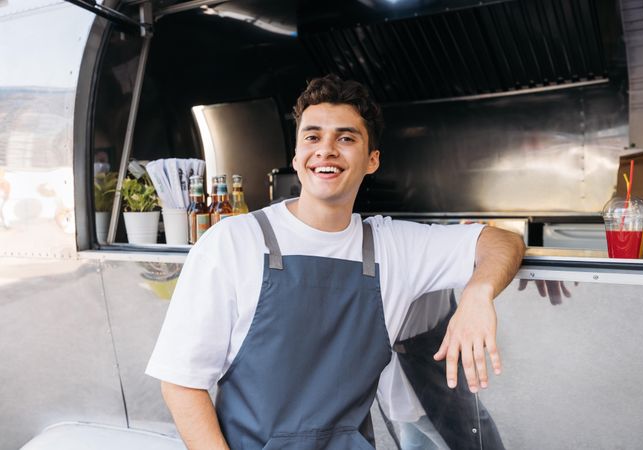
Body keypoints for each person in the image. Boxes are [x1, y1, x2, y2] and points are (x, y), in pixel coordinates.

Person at [146, 74, 525, 449]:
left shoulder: (392, 245)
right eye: (312, 136)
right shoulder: (233, 243)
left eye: (346, 138)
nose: (326, 150)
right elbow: (181, 383)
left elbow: (502, 241)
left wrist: (479, 293)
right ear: (296, 157)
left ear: (372, 160)